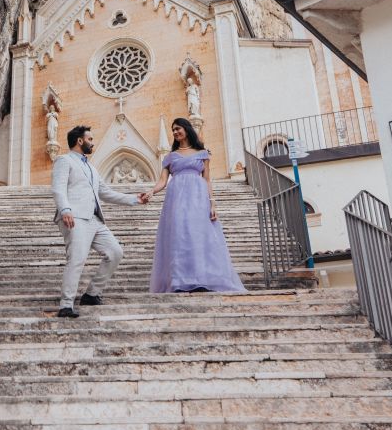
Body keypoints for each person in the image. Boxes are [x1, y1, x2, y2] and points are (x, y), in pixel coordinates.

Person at [51, 124, 148, 317]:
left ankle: (92, 293)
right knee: (77, 259)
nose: (92, 143)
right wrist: (65, 209)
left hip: (95, 220)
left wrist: (134, 199)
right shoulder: (64, 160)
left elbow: (105, 193)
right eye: (90, 139)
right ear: (80, 141)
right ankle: (66, 304)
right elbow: (58, 188)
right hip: (75, 217)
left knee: (115, 252)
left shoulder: (93, 169)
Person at [144, 118, 246, 293]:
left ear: (186, 129)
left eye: (178, 129)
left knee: (198, 235)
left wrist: (212, 204)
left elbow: (207, 179)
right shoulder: (170, 157)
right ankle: (179, 280)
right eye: (173, 130)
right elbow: (163, 181)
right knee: (179, 236)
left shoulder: (202, 153)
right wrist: (152, 192)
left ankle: (202, 278)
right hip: (176, 199)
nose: (175, 132)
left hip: (198, 198)